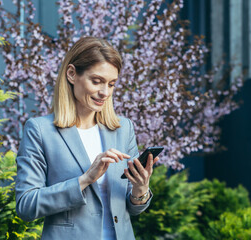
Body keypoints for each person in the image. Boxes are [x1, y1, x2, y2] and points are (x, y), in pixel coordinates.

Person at [15, 36, 159, 240]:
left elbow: (133, 208)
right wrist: (84, 180)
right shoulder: (40, 130)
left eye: (111, 84)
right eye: (97, 81)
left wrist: (140, 190)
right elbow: (26, 205)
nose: (105, 92)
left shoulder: (123, 129)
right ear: (72, 74)